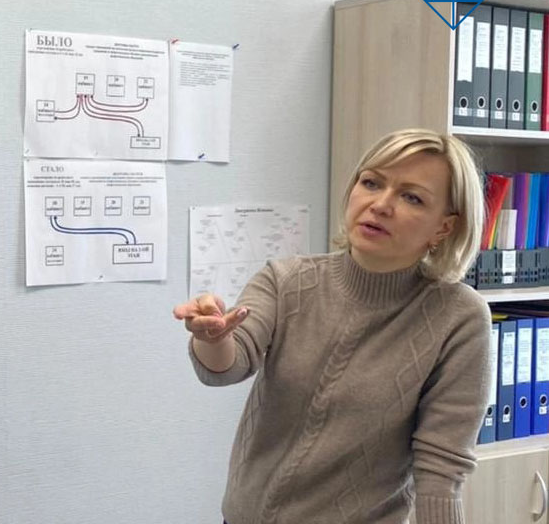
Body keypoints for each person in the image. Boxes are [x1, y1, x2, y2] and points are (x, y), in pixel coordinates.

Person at [173, 128, 489, 524]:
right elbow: (227, 366)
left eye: (412, 197)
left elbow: (441, 470)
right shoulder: (287, 280)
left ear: (444, 228)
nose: (380, 205)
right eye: (371, 183)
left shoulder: (458, 317)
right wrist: (213, 336)